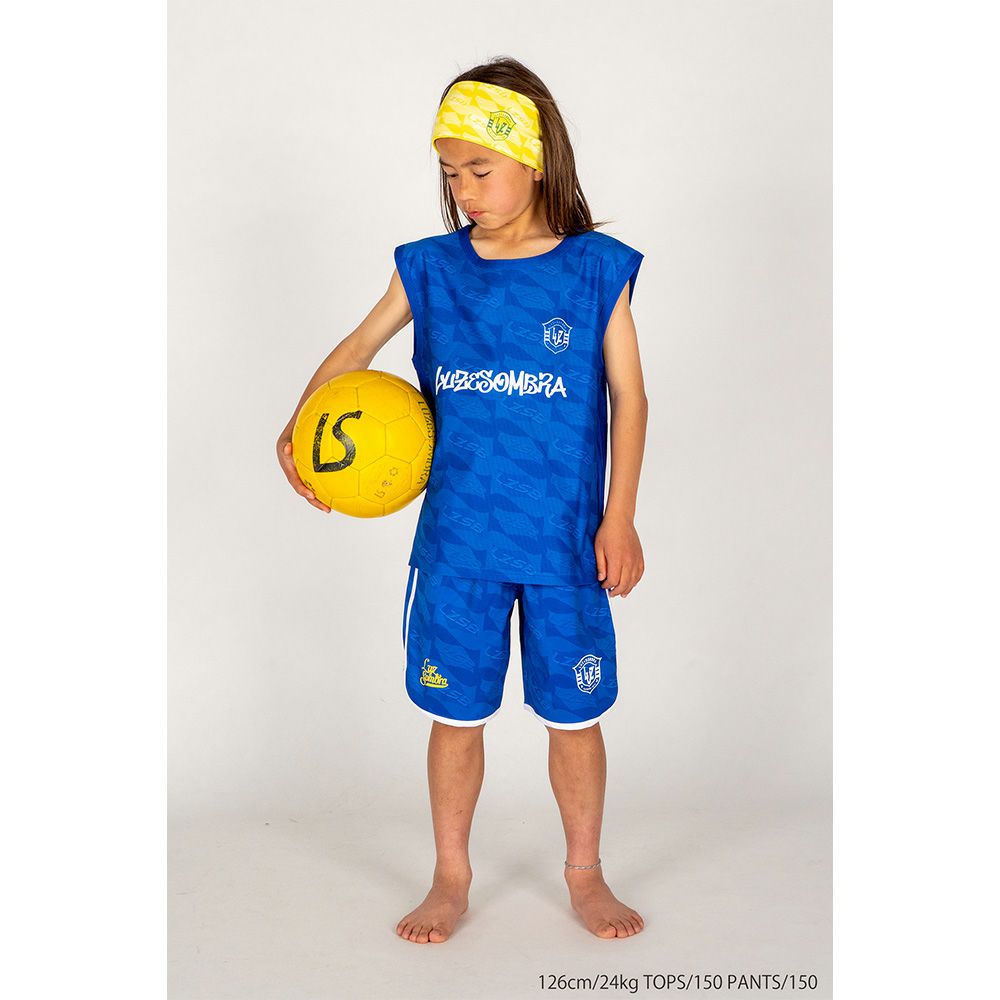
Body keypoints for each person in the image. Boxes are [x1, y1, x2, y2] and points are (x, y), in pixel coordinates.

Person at [276, 57, 648, 944]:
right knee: (455, 718)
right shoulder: (431, 270)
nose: (464, 191)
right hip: (460, 546)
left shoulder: (596, 270)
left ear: (535, 159)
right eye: (450, 174)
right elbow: (358, 348)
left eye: (480, 169)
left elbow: (630, 397)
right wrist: (298, 424)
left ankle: (586, 872)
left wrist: (620, 515)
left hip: (565, 545)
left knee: (575, 718)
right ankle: (450, 875)